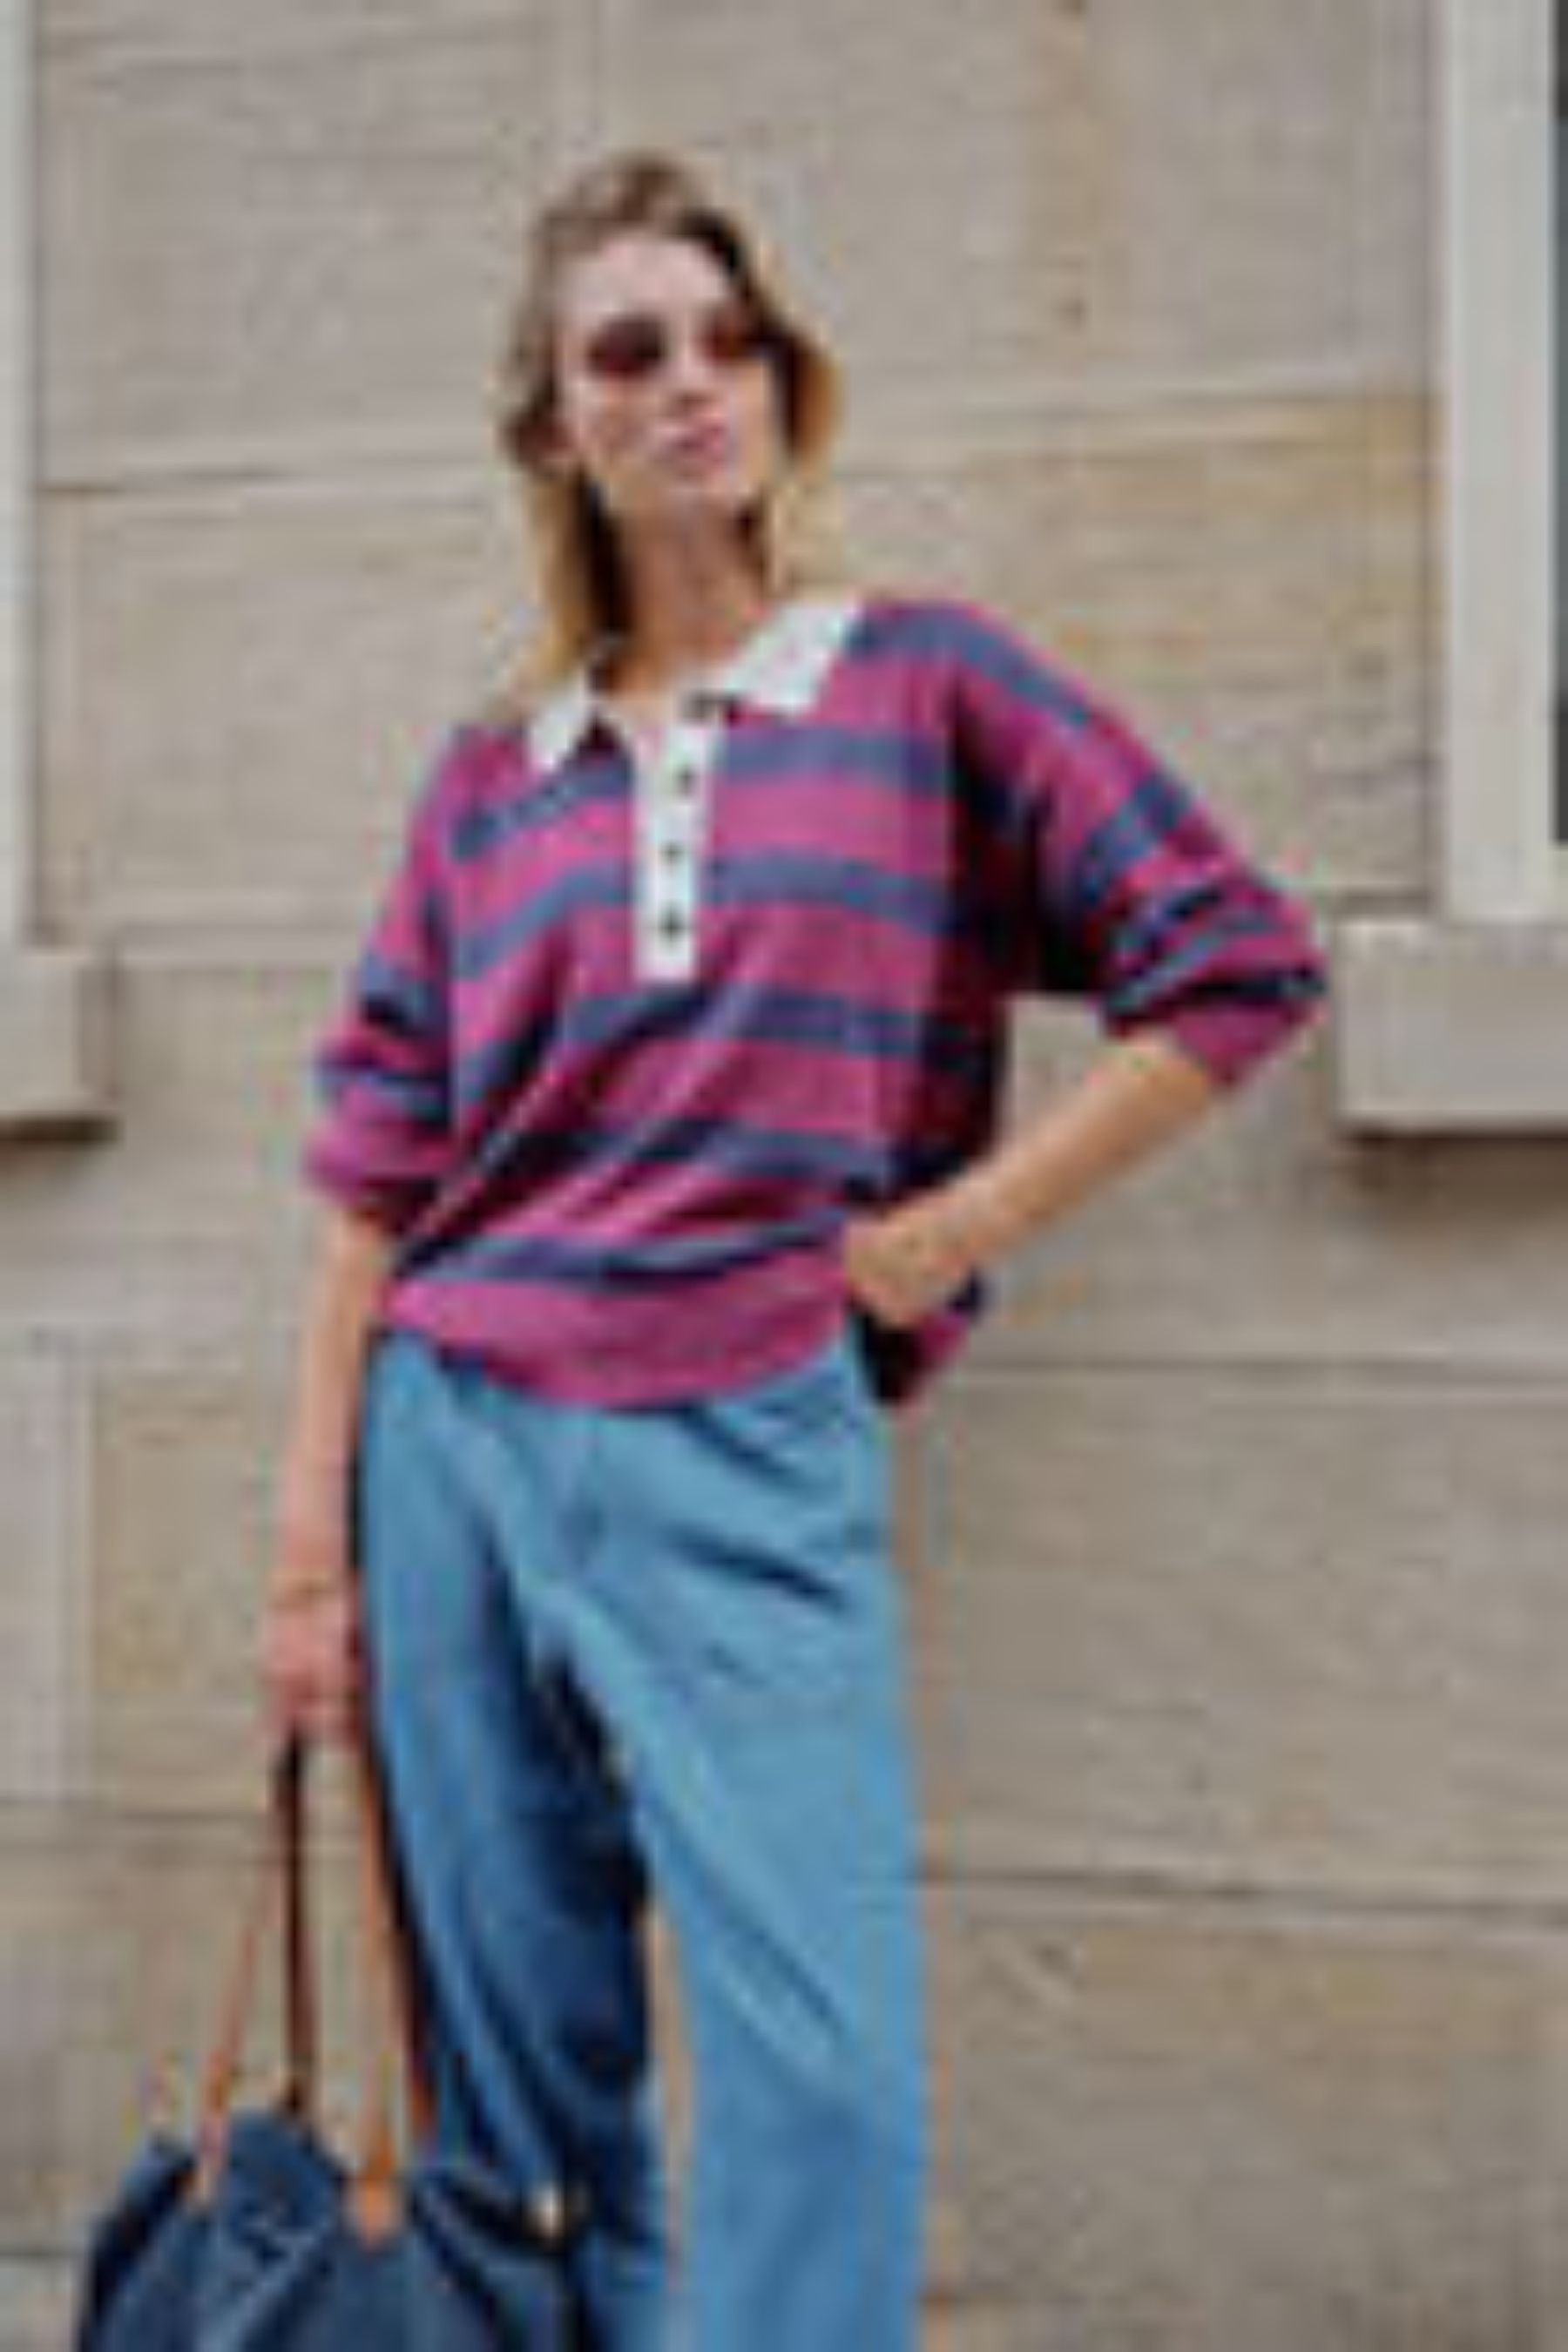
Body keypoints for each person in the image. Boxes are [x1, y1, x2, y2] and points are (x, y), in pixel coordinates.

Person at [260, 147, 1327, 2351]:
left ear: (781, 385)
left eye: (730, 341)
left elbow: (1232, 959)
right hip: (454, 1442)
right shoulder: (493, 776)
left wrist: (953, 1231)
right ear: (555, 428)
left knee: (822, 2075)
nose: (691, 383)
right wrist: (306, 1558)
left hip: (747, 1429)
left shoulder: (923, 689)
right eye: (629, 351)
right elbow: (376, 1166)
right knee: (516, 2091)